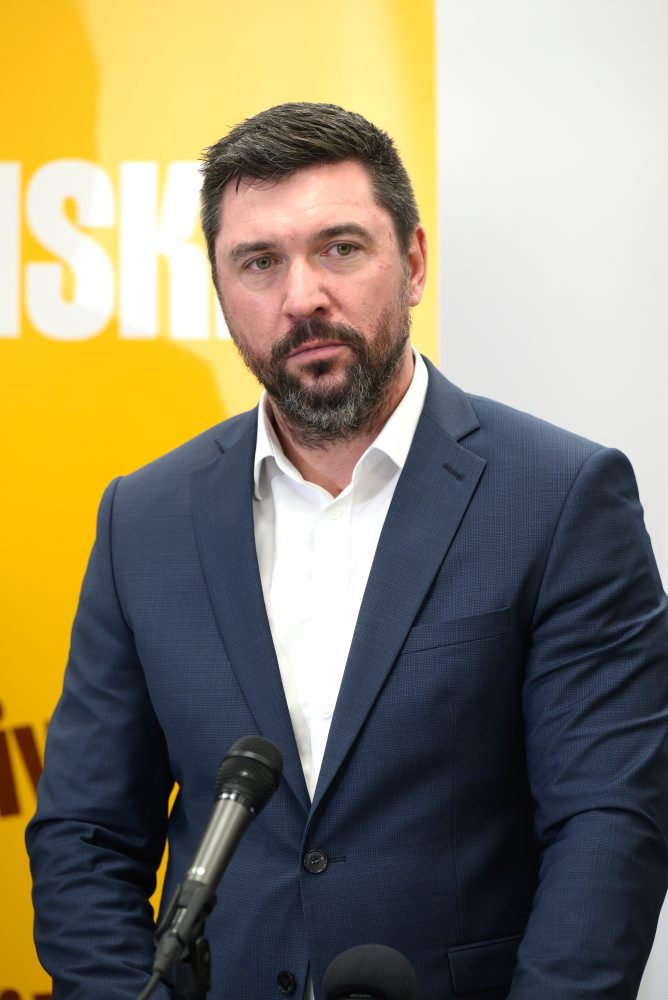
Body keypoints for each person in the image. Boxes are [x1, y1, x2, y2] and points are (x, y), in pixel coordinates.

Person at [27, 102, 668, 1000]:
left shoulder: (560, 498)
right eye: (260, 262)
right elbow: (86, 836)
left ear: (413, 262)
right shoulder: (145, 518)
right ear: (220, 289)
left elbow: (610, 824)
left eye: (339, 249)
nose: (302, 298)